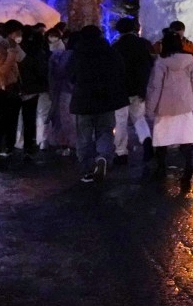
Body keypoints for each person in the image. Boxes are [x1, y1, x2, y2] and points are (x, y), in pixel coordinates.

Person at [67, 25, 127, 183]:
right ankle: (103, 157)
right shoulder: (111, 52)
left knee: (84, 136)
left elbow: (70, 75)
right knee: (105, 131)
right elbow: (120, 72)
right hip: (106, 100)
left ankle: (86, 169)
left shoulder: (78, 54)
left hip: (83, 101)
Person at [145, 28, 193, 187]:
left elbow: (155, 87)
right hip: (184, 106)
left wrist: (150, 108)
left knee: (162, 140)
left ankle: (161, 167)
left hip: (164, 108)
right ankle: (188, 167)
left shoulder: (161, 62)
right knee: (185, 139)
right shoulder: (189, 60)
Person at [111, 18, 154, 166]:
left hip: (120, 90)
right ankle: (146, 139)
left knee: (120, 121)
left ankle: (121, 152)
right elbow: (149, 65)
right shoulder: (143, 45)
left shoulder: (116, 47)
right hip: (138, 89)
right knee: (139, 118)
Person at [0, 21, 26, 159]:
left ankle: (7, 146)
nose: (20, 35)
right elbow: (3, 70)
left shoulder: (10, 46)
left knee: (11, 120)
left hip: (11, 87)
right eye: (18, 33)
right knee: (0, 120)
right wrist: (11, 52)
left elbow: (22, 58)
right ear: (10, 33)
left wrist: (15, 48)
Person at [16, 22, 51, 160]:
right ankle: (35, 143)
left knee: (22, 116)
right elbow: (42, 68)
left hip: (22, 87)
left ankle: (20, 142)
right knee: (36, 115)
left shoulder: (19, 48)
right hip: (37, 87)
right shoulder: (38, 49)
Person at [44, 26, 75, 154]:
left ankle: (64, 143)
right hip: (70, 89)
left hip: (62, 89)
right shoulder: (70, 54)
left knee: (63, 117)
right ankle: (70, 143)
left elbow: (57, 72)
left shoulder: (63, 55)